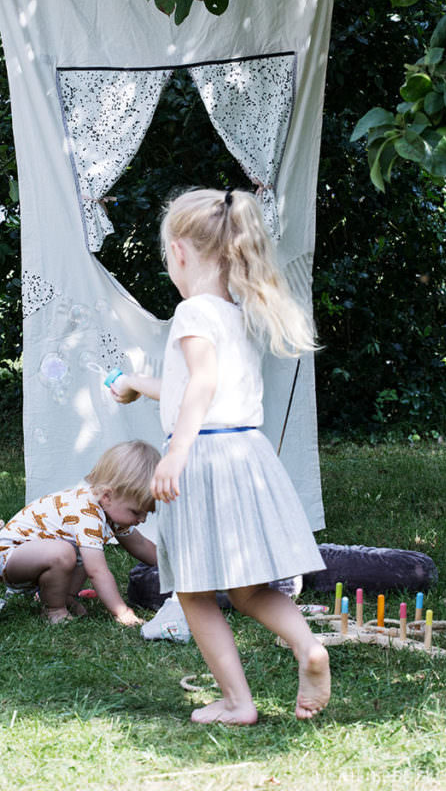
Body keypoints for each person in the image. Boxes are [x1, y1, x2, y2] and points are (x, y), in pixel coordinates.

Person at [110, 187, 331, 724]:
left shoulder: (191, 313)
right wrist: (139, 382)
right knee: (249, 587)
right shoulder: (236, 312)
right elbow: (195, 385)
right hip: (246, 453)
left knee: (192, 590)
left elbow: (202, 385)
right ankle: (308, 647)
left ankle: (238, 702)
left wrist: (175, 453)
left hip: (202, 459)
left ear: (181, 251)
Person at [0, 440, 159, 625]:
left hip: (36, 558)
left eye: (147, 513)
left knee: (79, 551)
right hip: (10, 557)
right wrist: (122, 611)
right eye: (136, 512)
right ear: (107, 496)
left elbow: (141, 545)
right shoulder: (86, 513)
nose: (142, 519)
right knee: (67, 553)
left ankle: (66, 597)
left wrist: (172, 566)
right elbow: (97, 571)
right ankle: (53, 609)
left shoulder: (111, 511)